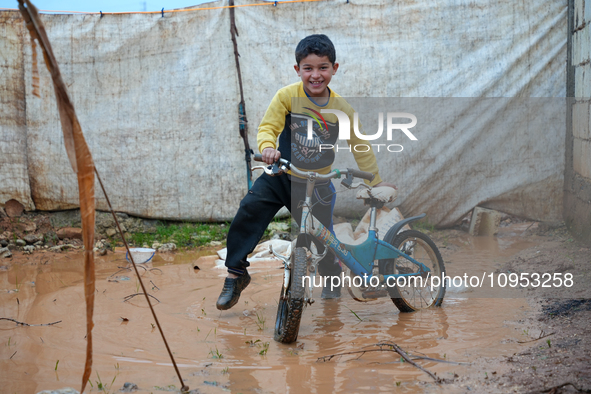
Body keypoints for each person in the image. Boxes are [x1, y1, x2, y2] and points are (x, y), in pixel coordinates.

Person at [216, 34, 395, 310]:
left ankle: (331, 280)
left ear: (334, 68)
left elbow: (360, 144)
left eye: (323, 67)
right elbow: (268, 128)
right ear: (297, 70)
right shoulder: (287, 96)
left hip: (318, 184)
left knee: (322, 240)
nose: (315, 75)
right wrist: (267, 148)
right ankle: (236, 274)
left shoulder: (342, 109)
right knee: (248, 211)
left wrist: (375, 179)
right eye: (308, 68)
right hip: (281, 175)